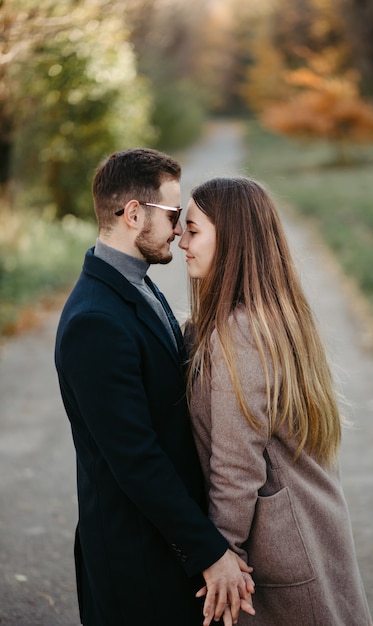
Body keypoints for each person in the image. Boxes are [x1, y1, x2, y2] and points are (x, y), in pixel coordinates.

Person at [54, 150, 255, 626]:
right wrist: (211, 551)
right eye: (173, 215)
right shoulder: (94, 321)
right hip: (135, 560)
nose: (179, 231)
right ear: (133, 214)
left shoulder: (134, 282)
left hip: (162, 545)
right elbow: (135, 458)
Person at [179, 176, 373, 625]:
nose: (181, 241)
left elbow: (236, 464)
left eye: (193, 230)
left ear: (230, 238)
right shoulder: (273, 316)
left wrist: (220, 555)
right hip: (310, 527)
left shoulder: (239, 335)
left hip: (279, 553)